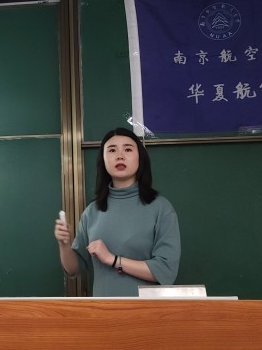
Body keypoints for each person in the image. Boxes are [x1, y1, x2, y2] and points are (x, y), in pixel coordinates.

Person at [54, 127, 181, 296]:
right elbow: (74, 269)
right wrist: (64, 244)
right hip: (103, 309)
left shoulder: (161, 208)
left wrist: (113, 259)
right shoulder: (92, 211)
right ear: (103, 159)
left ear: (140, 157)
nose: (120, 156)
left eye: (128, 149)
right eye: (112, 150)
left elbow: (165, 271)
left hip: (146, 309)